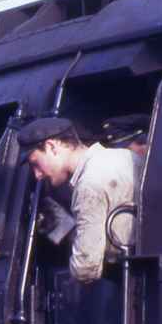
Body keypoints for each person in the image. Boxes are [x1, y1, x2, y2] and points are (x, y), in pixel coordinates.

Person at [18, 116, 139, 283]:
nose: (37, 175)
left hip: (133, 283)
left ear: (51, 147)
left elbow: (86, 270)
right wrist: (66, 228)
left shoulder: (88, 185)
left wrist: (64, 230)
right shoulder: (127, 157)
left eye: (36, 163)